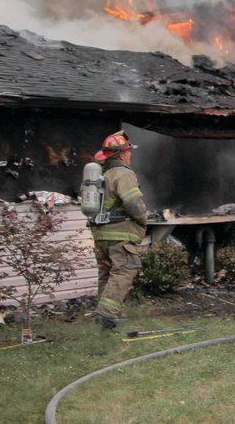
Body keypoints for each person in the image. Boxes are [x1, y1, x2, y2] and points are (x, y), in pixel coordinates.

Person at [91, 130, 148, 329]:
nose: (130, 155)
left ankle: (103, 315)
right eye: (128, 152)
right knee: (124, 270)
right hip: (120, 234)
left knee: (107, 273)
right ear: (121, 155)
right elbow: (133, 203)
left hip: (101, 235)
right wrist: (143, 220)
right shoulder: (123, 173)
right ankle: (106, 314)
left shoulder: (101, 173)